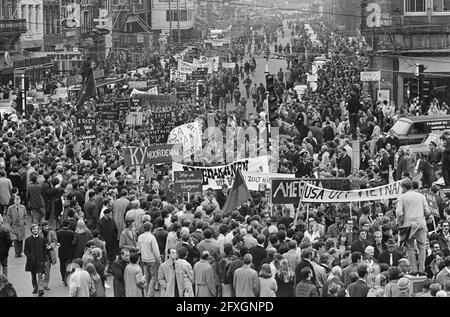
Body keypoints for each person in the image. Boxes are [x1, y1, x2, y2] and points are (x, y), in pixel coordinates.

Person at [396, 178, 430, 274]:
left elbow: (399, 213)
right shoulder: (421, 196)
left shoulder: (402, 197)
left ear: (403, 187)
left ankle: (414, 270)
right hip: (421, 224)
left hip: (408, 226)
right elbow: (427, 212)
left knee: (410, 247)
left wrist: (400, 224)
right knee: (422, 246)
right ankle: (422, 269)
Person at [137, 222, 161, 297]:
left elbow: (139, 249)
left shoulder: (140, 237)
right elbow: (155, 250)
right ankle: (150, 294)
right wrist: (159, 259)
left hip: (144, 259)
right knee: (154, 277)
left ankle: (146, 293)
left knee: (146, 277)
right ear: (151, 228)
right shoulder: (152, 237)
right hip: (152, 259)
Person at [24, 224, 47, 297]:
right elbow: (26, 251)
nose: (35, 230)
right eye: (33, 229)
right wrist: (30, 257)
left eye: (36, 229)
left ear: (38, 230)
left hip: (40, 260)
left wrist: (45, 260)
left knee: (40, 275)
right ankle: (35, 288)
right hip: (32, 261)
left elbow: (44, 250)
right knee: (33, 276)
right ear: (31, 231)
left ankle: (41, 289)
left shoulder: (42, 239)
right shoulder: (28, 240)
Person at [40, 220, 58, 291]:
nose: (46, 227)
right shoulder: (39, 233)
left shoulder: (52, 233)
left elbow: (55, 241)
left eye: (47, 226)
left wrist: (50, 246)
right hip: (41, 254)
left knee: (47, 270)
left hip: (48, 254)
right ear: (42, 227)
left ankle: (45, 284)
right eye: (44, 226)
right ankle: (40, 284)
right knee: (40, 271)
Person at [56, 220, 75, 285]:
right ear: (68, 225)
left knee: (62, 265)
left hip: (61, 251)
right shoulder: (71, 232)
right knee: (68, 266)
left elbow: (57, 242)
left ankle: (63, 278)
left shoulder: (58, 232)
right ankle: (66, 278)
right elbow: (73, 243)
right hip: (69, 252)